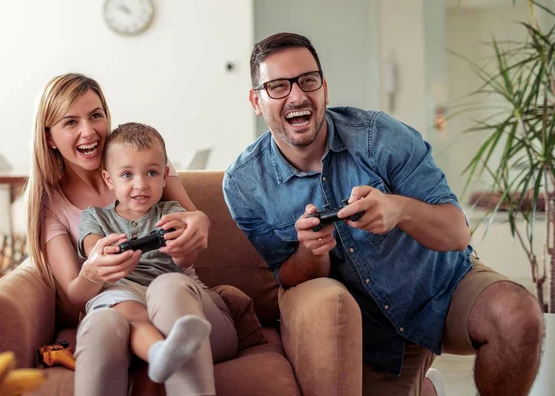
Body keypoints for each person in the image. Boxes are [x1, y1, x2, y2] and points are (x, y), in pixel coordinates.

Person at [222, 32, 544, 396]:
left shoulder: (379, 137)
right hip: (370, 334)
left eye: (308, 80)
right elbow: (287, 276)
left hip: (442, 285)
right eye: (277, 86)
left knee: (518, 316)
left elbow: (456, 233)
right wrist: (311, 250)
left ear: (324, 86)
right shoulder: (245, 184)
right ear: (255, 100)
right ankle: (427, 389)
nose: (297, 96)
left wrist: (398, 209)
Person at [26, 73, 237, 396]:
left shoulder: (145, 161)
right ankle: (157, 353)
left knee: (167, 286)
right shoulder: (57, 208)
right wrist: (93, 271)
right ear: (50, 137)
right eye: (70, 122)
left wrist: (197, 225)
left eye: (96, 115)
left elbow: (190, 222)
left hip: (183, 306)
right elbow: (76, 291)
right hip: (120, 310)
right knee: (100, 321)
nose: (88, 131)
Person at [76, 122, 236, 392]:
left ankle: (163, 353)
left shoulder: (171, 211)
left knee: (167, 285)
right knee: (115, 302)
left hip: (176, 299)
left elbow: (186, 263)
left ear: (165, 176)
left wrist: (182, 250)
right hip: (123, 295)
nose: (141, 184)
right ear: (108, 179)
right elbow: (96, 254)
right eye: (127, 175)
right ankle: (159, 352)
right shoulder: (95, 217)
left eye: (151, 173)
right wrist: (107, 254)